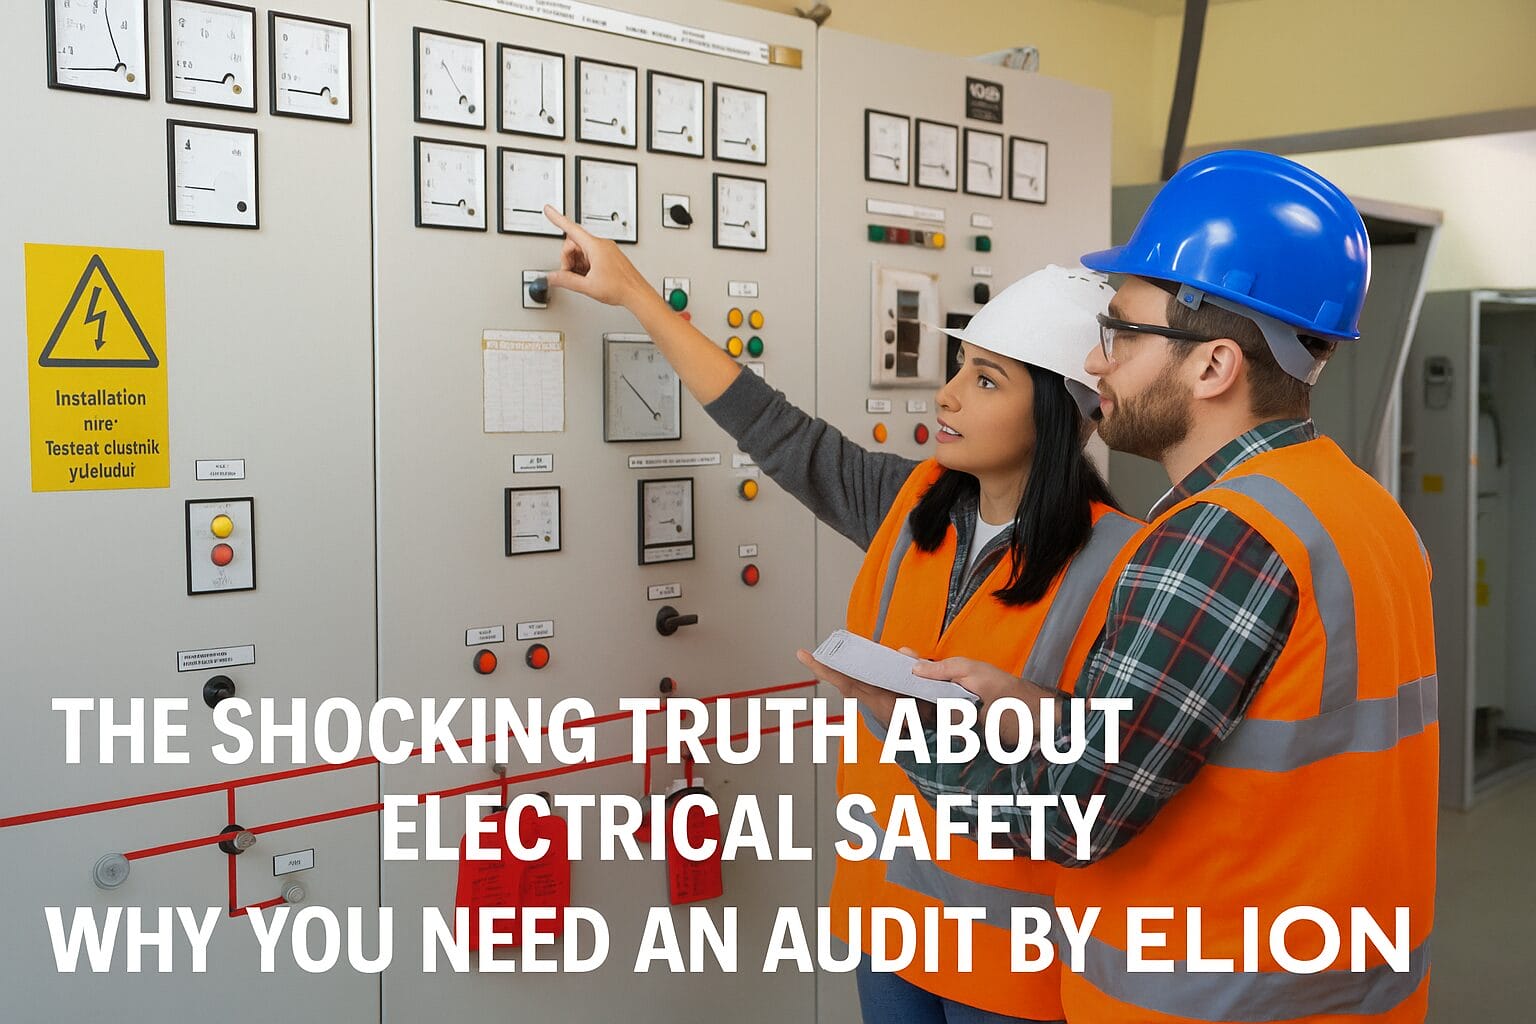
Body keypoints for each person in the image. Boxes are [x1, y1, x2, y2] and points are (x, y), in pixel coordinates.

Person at [801, 150, 1439, 1023]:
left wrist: (899, 717)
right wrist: (1039, 707)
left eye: (1124, 335)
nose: (1098, 366)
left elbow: (1073, 817)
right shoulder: (1359, 508)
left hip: (1211, 999)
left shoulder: (1217, 539)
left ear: (1214, 366)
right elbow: (1227, 735)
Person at [538, 206, 1142, 1023]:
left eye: (987, 380)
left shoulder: (1127, 562)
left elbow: (1121, 762)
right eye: (960, 366)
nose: (948, 394)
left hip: (1013, 954)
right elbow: (773, 428)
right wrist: (635, 294)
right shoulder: (910, 502)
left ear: (1061, 414)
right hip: (885, 922)